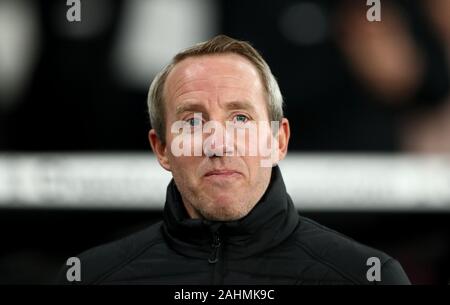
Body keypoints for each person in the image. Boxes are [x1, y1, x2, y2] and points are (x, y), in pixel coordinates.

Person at [58, 35, 410, 285]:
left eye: (240, 119)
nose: (219, 144)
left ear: (278, 140)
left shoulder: (367, 275)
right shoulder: (92, 277)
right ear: (161, 148)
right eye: (192, 122)